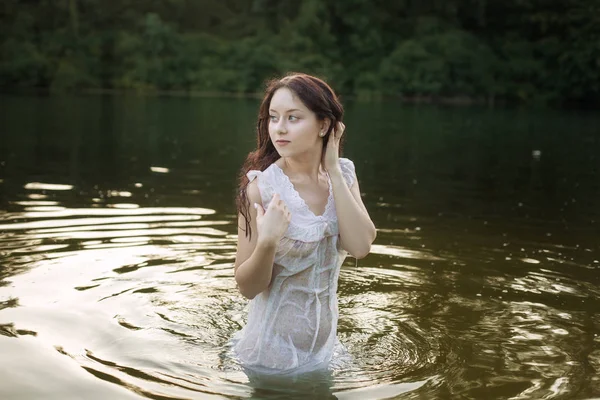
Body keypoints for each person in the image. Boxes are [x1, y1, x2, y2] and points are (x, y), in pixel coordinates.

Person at [231, 73, 377, 374]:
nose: (279, 128)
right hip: (269, 360)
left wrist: (334, 171)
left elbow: (360, 246)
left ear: (324, 125)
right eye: (273, 118)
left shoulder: (345, 175)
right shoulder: (261, 189)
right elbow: (247, 286)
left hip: (324, 354)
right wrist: (268, 241)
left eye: (293, 118)